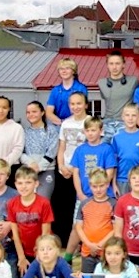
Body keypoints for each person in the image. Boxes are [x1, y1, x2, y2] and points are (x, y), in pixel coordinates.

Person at [54, 91, 89, 260]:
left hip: (83, 172)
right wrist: (61, 166)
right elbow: (62, 148)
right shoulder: (65, 123)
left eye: (79, 103)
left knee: (83, 210)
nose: (76, 107)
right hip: (66, 170)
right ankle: (70, 245)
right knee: (67, 209)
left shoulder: (89, 122)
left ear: (86, 105)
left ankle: (84, 244)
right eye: (72, 104)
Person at [7, 166, 53, 278]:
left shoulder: (43, 203)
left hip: (44, 250)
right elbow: (15, 234)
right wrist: (21, 257)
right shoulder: (11, 204)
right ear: (15, 184)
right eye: (20, 183)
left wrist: (40, 254)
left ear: (36, 184)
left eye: (28, 182)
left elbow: (45, 233)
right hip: (25, 251)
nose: (24, 186)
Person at [74, 168, 117, 273]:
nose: (98, 190)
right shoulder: (84, 204)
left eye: (101, 186)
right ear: (90, 186)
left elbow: (116, 229)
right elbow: (78, 227)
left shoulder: (114, 204)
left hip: (107, 252)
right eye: (95, 186)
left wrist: (100, 244)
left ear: (107, 184)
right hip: (87, 251)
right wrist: (89, 244)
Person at [70, 116, 117, 204]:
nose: (90, 133)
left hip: (104, 196)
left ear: (101, 131)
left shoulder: (107, 149)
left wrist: (99, 194)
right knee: (81, 218)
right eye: (87, 130)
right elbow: (76, 173)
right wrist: (80, 194)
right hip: (84, 196)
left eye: (93, 130)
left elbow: (109, 174)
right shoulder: (79, 150)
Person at [97, 50, 139, 143]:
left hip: (125, 122)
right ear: (107, 65)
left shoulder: (133, 81)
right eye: (111, 64)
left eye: (117, 63)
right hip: (107, 122)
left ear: (123, 65)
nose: (114, 67)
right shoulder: (101, 83)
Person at [21, 101, 58, 200]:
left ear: (42, 112)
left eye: (34, 111)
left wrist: (39, 166)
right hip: (28, 171)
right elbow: (20, 151)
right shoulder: (24, 131)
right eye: (28, 112)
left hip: (46, 171)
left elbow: (52, 150)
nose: (31, 114)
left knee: (43, 201)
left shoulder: (51, 130)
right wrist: (30, 163)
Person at [112, 103, 139, 196]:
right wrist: (113, 184)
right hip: (122, 180)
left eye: (134, 115)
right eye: (127, 115)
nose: (130, 118)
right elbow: (114, 163)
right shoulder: (117, 137)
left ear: (138, 117)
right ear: (122, 117)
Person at [45, 58, 87, 126]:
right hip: (58, 124)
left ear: (73, 71)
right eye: (61, 69)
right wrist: (61, 122)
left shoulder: (81, 88)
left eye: (67, 68)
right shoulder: (55, 90)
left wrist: (67, 122)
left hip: (77, 124)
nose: (64, 71)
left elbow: (81, 109)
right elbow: (49, 112)